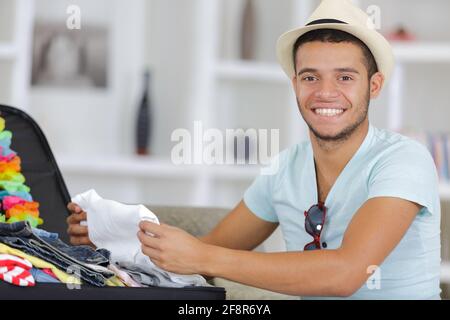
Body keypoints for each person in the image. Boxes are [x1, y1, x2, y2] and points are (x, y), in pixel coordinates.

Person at [66, 0, 441, 299]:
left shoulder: (404, 159)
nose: (326, 92)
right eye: (310, 77)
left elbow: (346, 274)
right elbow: (207, 250)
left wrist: (202, 256)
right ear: (295, 83)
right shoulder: (285, 168)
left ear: (374, 86)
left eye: (345, 77)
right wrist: (114, 237)